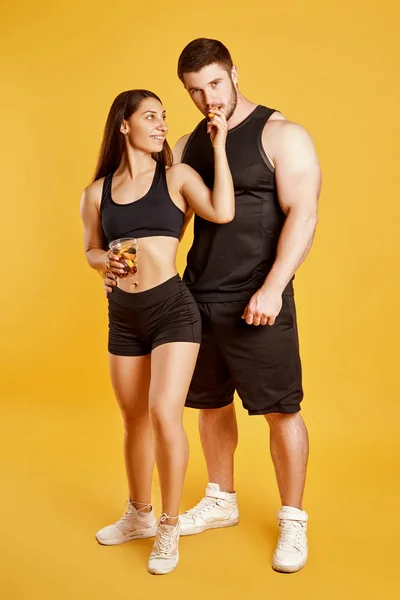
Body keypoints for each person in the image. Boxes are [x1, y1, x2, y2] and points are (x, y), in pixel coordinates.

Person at [105, 38, 321, 574]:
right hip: (195, 297)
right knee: (210, 403)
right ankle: (221, 499)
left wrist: (273, 287)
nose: (209, 99)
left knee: (280, 409)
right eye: (195, 91)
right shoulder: (184, 143)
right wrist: (128, 268)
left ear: (234, 74)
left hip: (258, 295)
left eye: (216, 85)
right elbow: (164, 219)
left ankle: (293, 518)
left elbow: (304, 215)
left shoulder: (281, 134)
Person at [80, 88, 234, 575]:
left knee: (165, 413)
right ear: (124, 124)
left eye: (165, 117)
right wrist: (105, 261)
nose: (163, 123)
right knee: (133, 421)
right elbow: (90, 249)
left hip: (172, 309)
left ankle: (169, 527)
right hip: (123, 314)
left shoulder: (177, 176)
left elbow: (222, 211)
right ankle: (138, 515)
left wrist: (221, 147)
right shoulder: (95, 192)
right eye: (151, 116)